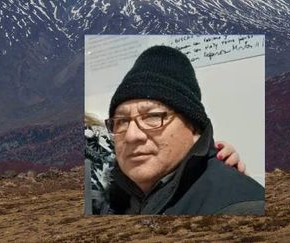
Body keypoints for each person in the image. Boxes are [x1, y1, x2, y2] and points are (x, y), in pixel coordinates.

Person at [100, 45, 264, 215]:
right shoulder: (111, 199)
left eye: (152, 117)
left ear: (193, 127)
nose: (131, 135)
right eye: (122, 121)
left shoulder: (242, 209)